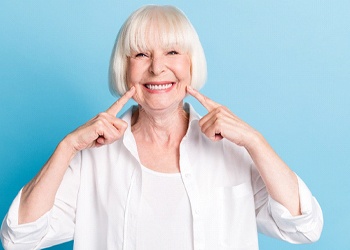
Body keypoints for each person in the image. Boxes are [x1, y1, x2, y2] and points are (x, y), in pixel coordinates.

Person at [1, 5, 323, 250]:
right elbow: (17, 238)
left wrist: (254, 140)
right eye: (141, 54)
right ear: (124, 68)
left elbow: (304, 226)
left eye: (172, 52)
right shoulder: (92, 159)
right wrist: (67, 146)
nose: (157, 67)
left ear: (191, 64)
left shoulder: (232, 150)